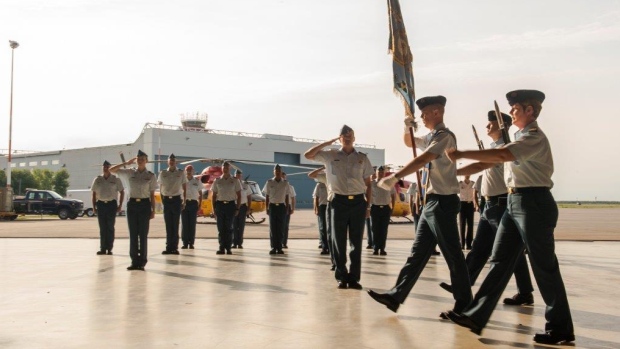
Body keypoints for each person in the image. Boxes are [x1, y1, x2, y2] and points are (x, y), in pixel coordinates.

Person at [444, 90, 574, 345]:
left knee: (544, 267)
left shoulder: (533, 137)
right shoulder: (517, 138)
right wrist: (455, 171)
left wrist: (461, 153)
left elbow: (502, 155)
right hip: (515, 202)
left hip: (534, 203)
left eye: (515, 108)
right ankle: (476, 315)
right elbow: (487, 164)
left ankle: (560, 329)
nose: (511, 111)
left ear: (530, 111)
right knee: (500, 261)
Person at [367, 95, 472, 314]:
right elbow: (410, 143)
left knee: (452, 254)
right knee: (417, 253)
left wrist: (395, 177)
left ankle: (464, 304)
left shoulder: (444, 137)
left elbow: (423, 158)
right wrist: (407, 128)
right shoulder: (432, 136)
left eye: (425, 113)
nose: (422, 117)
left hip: (442, 201)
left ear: (437, 112)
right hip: (431, 202)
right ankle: (396, 295)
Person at [438, 111, 535, 307]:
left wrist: (452, 171)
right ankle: (463, 284)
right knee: (479, 249)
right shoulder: (494, 147)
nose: (487, 127)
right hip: (488, 205)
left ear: (503, 125)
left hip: (501, 204)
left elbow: (478, 166)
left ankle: (525, 292)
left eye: (491, 124)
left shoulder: (505, 149)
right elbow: (480, 167)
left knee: (511, 253)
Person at [304, 125, 373, 290]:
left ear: (354, 138)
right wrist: (328, 142)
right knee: (338, 241)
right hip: (338, 202)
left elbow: (368, 184)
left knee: (356, 243)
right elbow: (308, 155)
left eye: (351, 135)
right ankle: (342, 277)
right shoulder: (330, 155)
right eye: (344, 135)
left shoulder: (362, 158)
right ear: (339, 138)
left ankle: (354, 278)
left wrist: (368, 206)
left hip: (358, 202)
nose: (348, 137)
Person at [109, 150, 157, 271]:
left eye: (142, 158)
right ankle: (134, 261)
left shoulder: (150, 175)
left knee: (143, 234)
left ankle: (142, 261)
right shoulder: (129, 172)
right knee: (133, 234)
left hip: (145, 205)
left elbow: (152, 194)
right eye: (138, 158)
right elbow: (111, 170)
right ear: (135, 160)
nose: (140, 160)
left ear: (146, 161)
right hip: (132, 205)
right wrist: (126, 162)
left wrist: (153, 210)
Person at [91, 160, 125, 255]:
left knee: (110, 227)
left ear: (110, 168)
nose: (105, 168)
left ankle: (109, 248)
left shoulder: (115, 179)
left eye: (107, 167)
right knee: (102, 228)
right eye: (104, 167)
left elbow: (122, 191)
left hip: (111, 205)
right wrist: (94, 207)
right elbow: (93, 193)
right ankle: (102, 248)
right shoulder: (98, 179)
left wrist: (120, 205)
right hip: (101, 204)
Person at [158, 153, 188, 255]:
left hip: (176, 200)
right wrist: (162, 200)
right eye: (170, 161)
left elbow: (184, 187)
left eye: (173, 161)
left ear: (176, 162)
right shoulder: (163, 173)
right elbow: (161, 188)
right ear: (168, 162)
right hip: (166, 200)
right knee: (168, 225)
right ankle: (168, 247)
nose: (171, 162)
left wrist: (184, 200)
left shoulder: (181, 173)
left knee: (175, 225)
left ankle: (174, 247)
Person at [211, 161, 241, 255]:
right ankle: (221, 247)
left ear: (230, 168)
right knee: (221, 228)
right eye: (224, 167)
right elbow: (213, 195)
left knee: (228, 228)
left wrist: (237, 208)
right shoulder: (217, 180)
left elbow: (239, 195)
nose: (225, 169)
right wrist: (213, 208)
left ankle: (228, 248)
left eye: (227, 167)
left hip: (230, 206)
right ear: (222, 168)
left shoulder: (235, 180)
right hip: (220, 205)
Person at [407, 181, 441, 256]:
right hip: (419, 206)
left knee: (431, 228)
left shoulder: (431, 183)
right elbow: (415, 197)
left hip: (428, 205)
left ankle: (433, 249)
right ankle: (419, 249)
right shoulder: (417, 184)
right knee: (419, 229)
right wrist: (415, 209)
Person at [263, 164, 290, 255]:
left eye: (279, 171)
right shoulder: (269, 182)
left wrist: (286, 208)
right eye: (276, 171)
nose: (278, 172)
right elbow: (267, 196)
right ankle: (273, 247)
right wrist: (267, 207)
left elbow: (287, 196)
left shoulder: (285, 183)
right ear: (273, 172)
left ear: (281, 172)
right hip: (273, 206)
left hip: (282, 207)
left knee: (281, 228)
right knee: (273, 228)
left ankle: (279, 247)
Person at [370, 166, 395, 256]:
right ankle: (376, 248)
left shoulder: (389, 183)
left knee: (384, 230)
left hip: (385, 208)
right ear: (376, 173)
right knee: (375, 229)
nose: (380, 173)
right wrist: (368, 207)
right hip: (375, 208)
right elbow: (367, 194)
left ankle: (382, 249)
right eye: (379, 172)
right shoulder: (372, 183)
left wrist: (393, 207)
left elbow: (393, 195)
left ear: (384, 173)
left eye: (382, 172)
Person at [181, 164, 202, 249]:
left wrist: (200, 205)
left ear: (193, 171)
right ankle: (185, 242)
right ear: (185, 171)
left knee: (192, 224)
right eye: (187, 170)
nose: (189, 171)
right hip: (184, 203)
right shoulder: (182, 181)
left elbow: (200, 194)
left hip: (193, 203)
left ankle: (191, 243)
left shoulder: (197, 181)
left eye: (190, 170)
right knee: (184, 224)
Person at [232, 169, 252, 249]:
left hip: (243, 207)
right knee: (234, 225)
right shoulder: (231, 184)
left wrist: (249, 208)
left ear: (241, 176)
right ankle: (234, 243)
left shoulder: (245, 185)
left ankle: (239, 243)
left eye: (239, 175)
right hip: (233, 206)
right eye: (236, 175)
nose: (238, 176)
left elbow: (249, 197)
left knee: (241, 225)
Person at [312, 180, 330, 255]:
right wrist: (316, 208)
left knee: (331, 228)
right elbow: (316, 197)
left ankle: (331, 247)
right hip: (322, 207)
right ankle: (324, 247)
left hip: (331, 206)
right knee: (323, 227)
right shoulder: (319, 185)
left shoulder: (332, 183)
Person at [458, 175, 475, 249]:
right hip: (462, 204)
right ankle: (462, 243)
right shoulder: (460, 184)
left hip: (470, 204)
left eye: (468, 174)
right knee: (462, 225)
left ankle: (469, 244)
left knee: (470, 225)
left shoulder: (473, 183)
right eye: (466, 174)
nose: (467, 175)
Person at [281, 172, 296, 248]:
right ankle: (278, 241)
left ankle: (284, 242)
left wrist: (293, 208)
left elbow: (293, 198)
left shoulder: (290, 187)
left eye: (284, 177)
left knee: (285, 225)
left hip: (287, 206)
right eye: (282, 176)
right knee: (278, 225)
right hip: (279, 205)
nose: (283, 178)